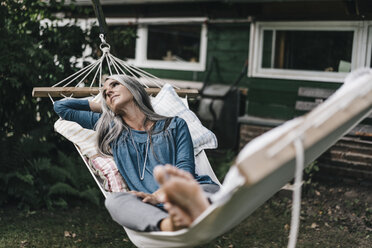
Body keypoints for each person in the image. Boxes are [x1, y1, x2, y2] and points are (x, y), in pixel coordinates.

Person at [53, 74, 219, 231]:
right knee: (115, 201)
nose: (108, 91)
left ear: (134, 89)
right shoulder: (112, 130)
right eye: (105, 93)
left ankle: (184, 214)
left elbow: (185, 169)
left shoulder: (174, 124)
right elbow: (61, 107)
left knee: (212, 192)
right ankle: (168, 224)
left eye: (115, 84)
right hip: (150, 204)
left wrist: (161, 195)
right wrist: (105, 107)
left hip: (189, 192)